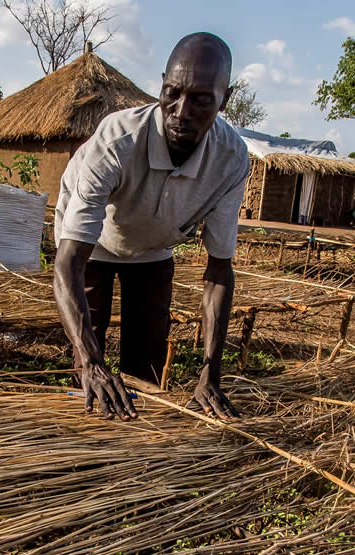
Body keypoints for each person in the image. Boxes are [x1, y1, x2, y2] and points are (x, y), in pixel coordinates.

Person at [53, 32, 250, 421]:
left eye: (200, 99)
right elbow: (67, 264)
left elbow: (219, 269)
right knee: (87, 356)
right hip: (92, 246)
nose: (181, 111)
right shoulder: (117, 140)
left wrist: (211, 369)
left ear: (224, 100)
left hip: (154, 250)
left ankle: (135, 448)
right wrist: (92, 361)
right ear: (161, 83)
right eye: (172, 92)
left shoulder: (229, 159)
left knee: (146, 359)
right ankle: (89, 432)